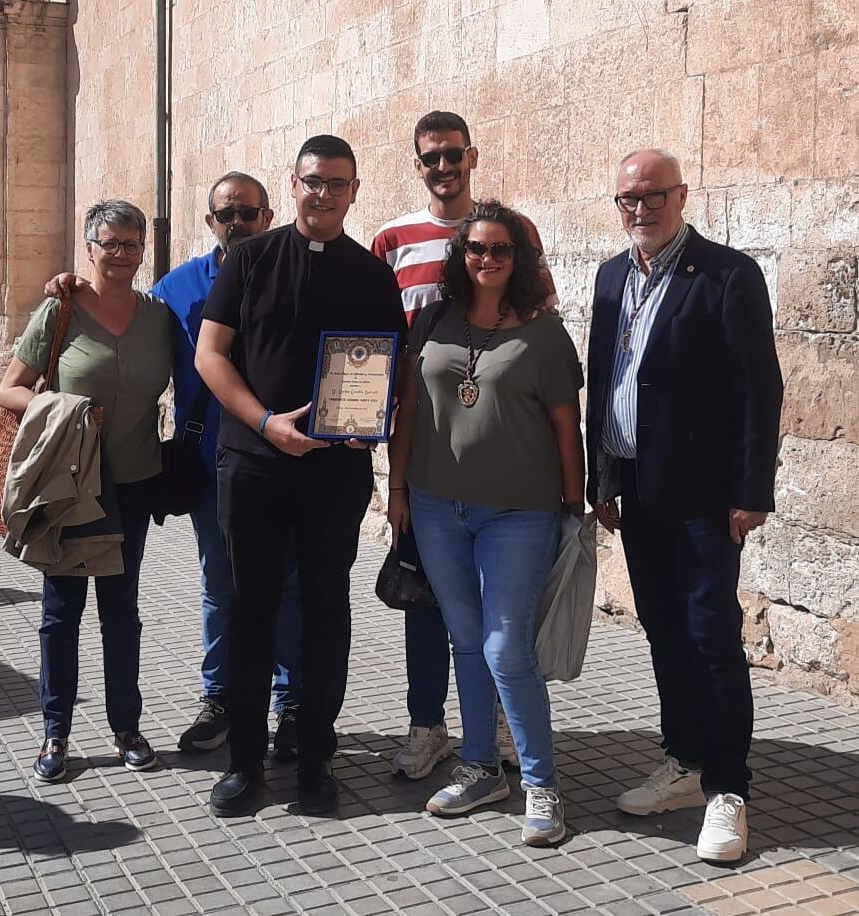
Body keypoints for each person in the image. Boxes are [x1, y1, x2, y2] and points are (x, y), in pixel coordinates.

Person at [43, 173, 304, 758]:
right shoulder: (176, 291)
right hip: (210, 462)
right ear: (209, 222)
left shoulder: (294, 270)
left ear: (267, 215)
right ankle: (222, 702)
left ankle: (289, 707)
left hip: (282, 456)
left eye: (248, 212)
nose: (237, 222)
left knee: (287, 582)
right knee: (219, 585)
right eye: (225, 214)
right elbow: (116, 322)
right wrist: (70, 286)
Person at [195, 135, 407, 817]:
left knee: (326, 614)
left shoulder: (373, 277)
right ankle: (245, 765)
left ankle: (315, 758)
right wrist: (265, 424)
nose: (323, 194)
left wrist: (379, 410)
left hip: (333, 474)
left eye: (337, 183)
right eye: (312, 181)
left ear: (353, 190)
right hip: (254, 464)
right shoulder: (250, 259)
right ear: (293, 184)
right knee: (251, 611)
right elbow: (210, 355)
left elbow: (388, 371)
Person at [586, 149, 783, 863]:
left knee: (710, 637)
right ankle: (684, 760)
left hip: (705, 497)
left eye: (653, 195)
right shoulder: (612, 276)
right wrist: (599, 475)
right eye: (628, 199)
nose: (640, 209)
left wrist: (750, 490)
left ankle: (728, 789)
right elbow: (603, 377)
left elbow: (759, 387)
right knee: (663, 630)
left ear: (681, 195)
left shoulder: (728, 274)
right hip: (635, 490)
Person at [387, 200, 585, 846]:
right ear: (460, 256)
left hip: (518, 513)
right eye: (476, 249)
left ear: (519, 259)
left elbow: (566, 428)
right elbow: (411, 407)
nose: (488, 259)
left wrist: (573, 510)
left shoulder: (544, 332)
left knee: (505, 647)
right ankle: (479, 767)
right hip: (438, 505)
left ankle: (541, 785)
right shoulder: (438, 320)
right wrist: (396, 489)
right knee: (465, 641)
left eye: (501, 250)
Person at [371, 110, 558, 779]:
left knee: (506, 605)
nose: (443, 167)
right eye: (431, 158)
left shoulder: (515, 231)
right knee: (426, 596)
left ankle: (502, 723)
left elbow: (542, 317)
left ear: (472, 156)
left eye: (454, 155)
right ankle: (428, 725)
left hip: (503, 455)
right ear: (416, 164)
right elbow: (375, 341)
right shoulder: (392, 239)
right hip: (423, 453)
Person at [0, 199, 174, 782]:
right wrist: (65, 411)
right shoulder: (61, 309)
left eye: (132, 244)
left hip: (135, 482)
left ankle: (127, 725)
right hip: (73, 487)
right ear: (89, 247)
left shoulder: (159, 315)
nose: (121, 254)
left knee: (122, 611)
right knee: (61, 612)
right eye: (110, 243)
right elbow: (10, 390)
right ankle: (56, 733)